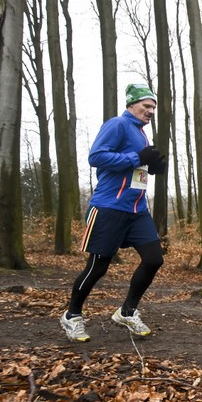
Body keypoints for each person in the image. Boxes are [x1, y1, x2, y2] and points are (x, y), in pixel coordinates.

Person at [60, 84, 167, 343]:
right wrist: (135, 158)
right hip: (109, 207)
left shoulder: (141, 133)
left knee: (154, 259)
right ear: (131, 105)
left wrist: (150, 167)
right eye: (146, 105)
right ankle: (72, 316)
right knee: (98, 266)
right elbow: (96, 157)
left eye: (153, 107)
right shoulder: (117, 124)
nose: (151, 111)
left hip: (137, 209)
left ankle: (127, 312)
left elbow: (134, 167)